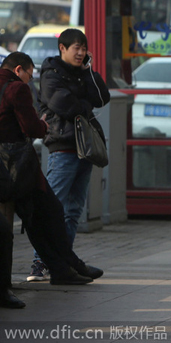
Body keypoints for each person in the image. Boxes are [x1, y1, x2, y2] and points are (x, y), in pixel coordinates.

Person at [0, 52, 103, 286]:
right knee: (52, 211)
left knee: (35, 217)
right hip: (16, 168)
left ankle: (63, 267)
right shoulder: (17, 89)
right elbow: (31, 127)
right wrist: (43, 125)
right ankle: (67, 266)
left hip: (6, 168)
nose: (30, 79)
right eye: (29, 74)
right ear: (18, 70)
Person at [29, 28, 110, 281]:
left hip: (84, 150)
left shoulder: (82, 73)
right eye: (76, 48)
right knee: (53, 207)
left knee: (73, 210)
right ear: (62, 48)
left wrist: (89, 72)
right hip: (62, 147)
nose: (80, 52)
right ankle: (40, 264)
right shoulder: (51, 74)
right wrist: (85, 104)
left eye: (84, 48)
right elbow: (65, 105)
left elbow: (102, 97)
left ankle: (65, 262)